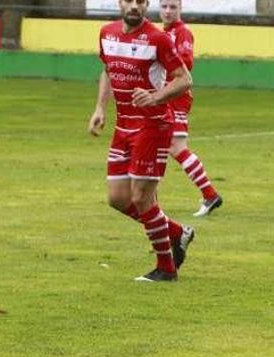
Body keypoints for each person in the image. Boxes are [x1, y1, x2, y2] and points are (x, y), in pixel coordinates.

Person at [88, 0, 195, 282]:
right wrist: (100, 108)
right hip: (123, 125)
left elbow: (184, 79)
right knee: (118, 199)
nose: (134, 6)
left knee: (142, 197)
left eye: (141, 1)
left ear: (146, 5)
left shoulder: (158, 38)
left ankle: (166, 269)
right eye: (129, 0)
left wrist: (155, 97)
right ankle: (176, 232)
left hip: (153, 124)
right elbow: (108, 71)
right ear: (120, 3)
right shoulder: (107, 33)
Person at [159, 0, 223, 217]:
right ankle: (147, 196)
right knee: (160, 145)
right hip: (165, 95)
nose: (168, 11)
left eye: (172, 7)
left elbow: (186, 61)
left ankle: (210, 194)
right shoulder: (164, 32)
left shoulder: (182, 32)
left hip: (176, 96)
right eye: (164, 6)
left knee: (176, 147)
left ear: (180, 9)